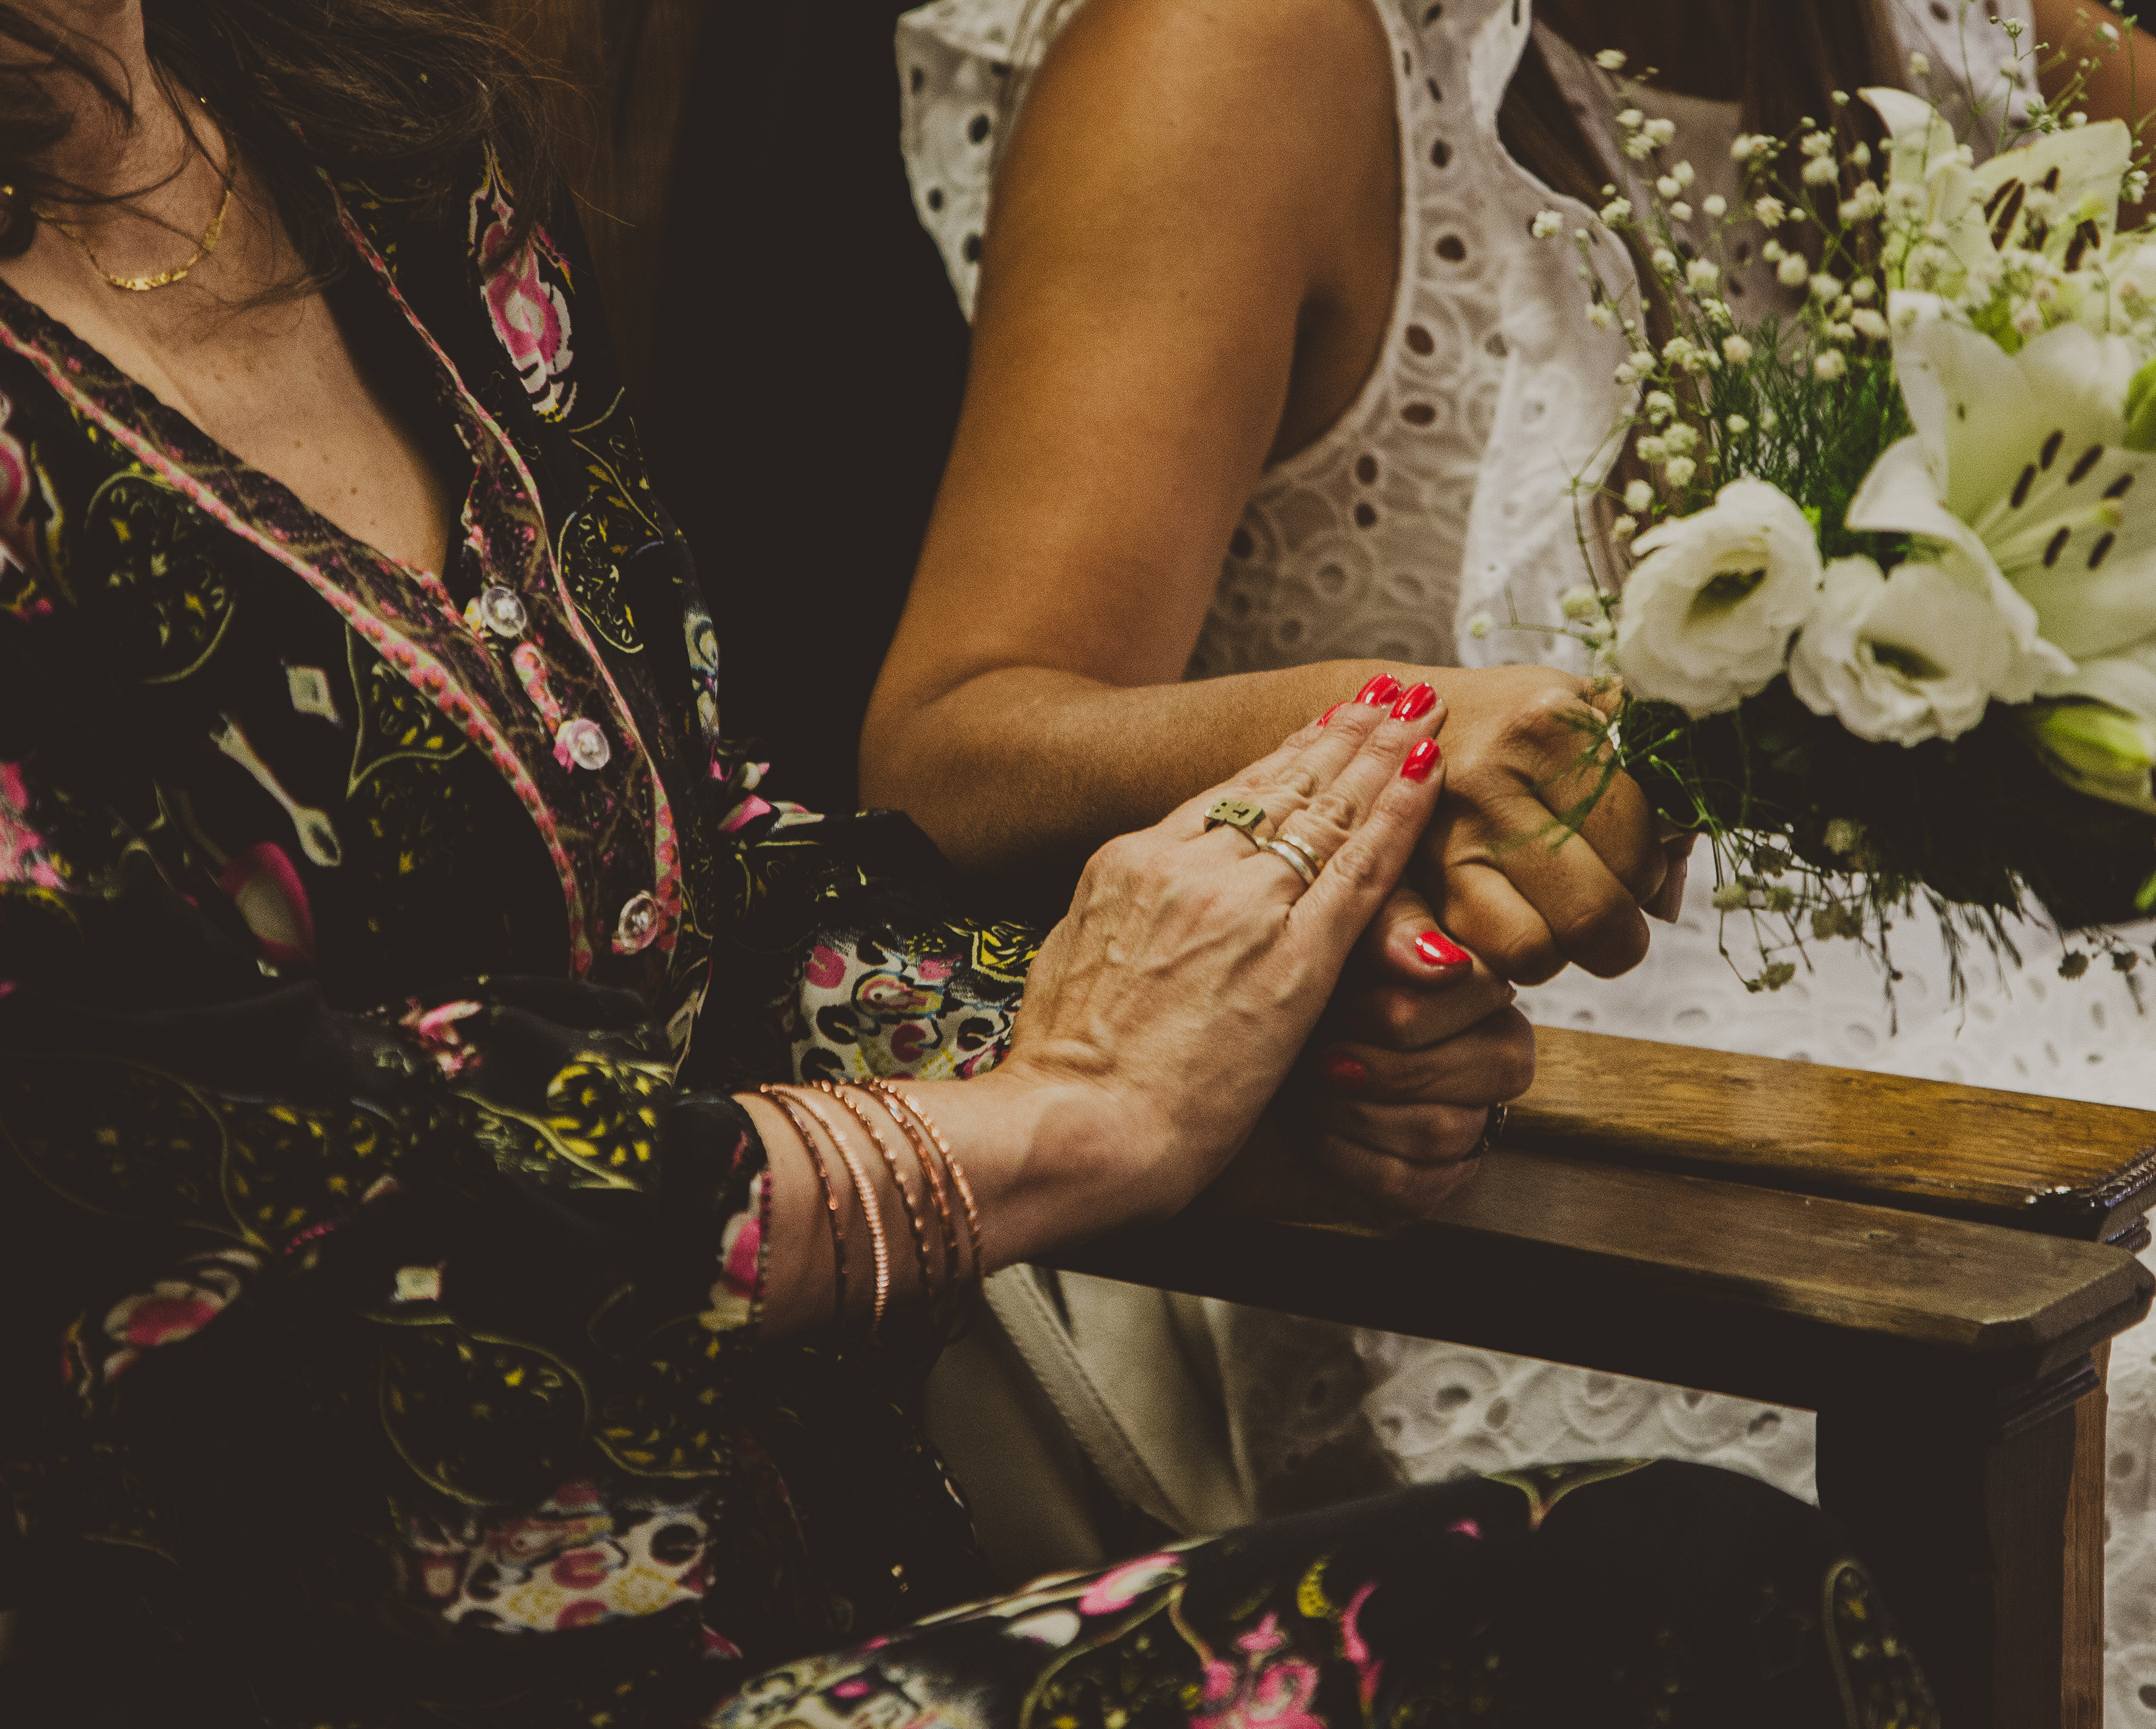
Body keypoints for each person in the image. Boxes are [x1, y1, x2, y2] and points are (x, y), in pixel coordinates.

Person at [0, 3, 1945, 1724]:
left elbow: (693, 894)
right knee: (1677, 1602)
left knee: (1704, 1599)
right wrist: (1061, 1122)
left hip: (797, 1581)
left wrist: (1262, 1030)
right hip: (278, 1653)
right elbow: (217, 1193)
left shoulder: (373, 151)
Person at [885, 0, 2156, 1722]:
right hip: (1552, 1195)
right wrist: (1402, 727)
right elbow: (956, 743)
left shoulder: (1934, 35)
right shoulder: (1252, 48)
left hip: (2004, 1102)